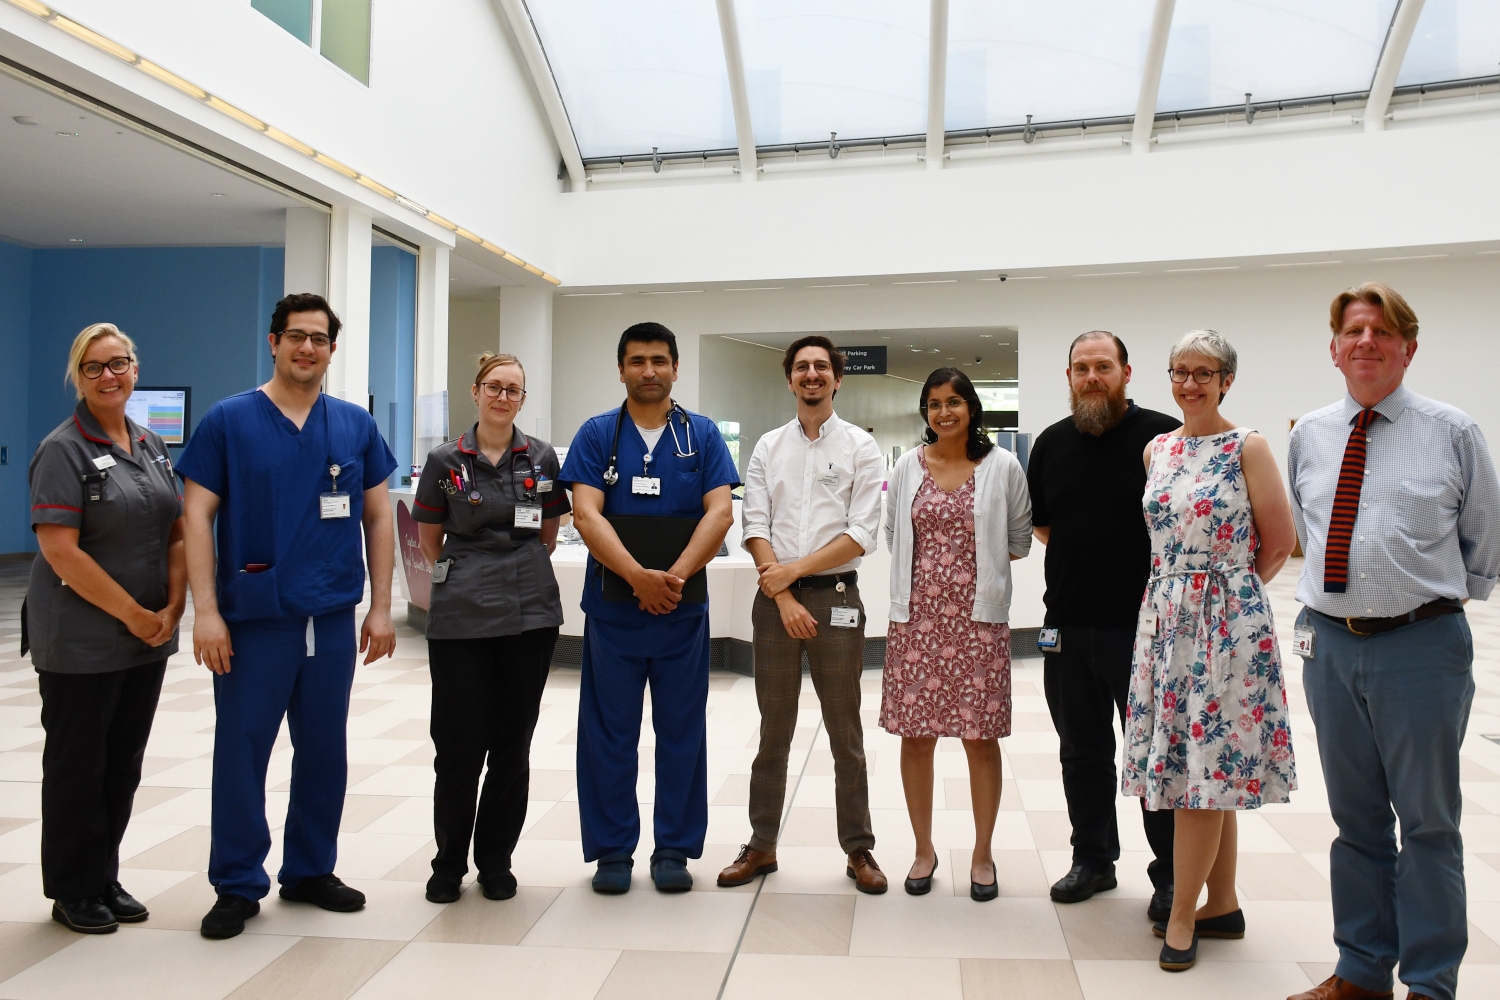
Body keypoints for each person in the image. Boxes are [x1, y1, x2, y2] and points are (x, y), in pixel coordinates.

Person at [1285, 284, 1500, 1000]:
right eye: (1354, 330)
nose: (1367, 342)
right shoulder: (1309, 433)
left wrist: (1428, 602)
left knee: (1430, 826)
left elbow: (1484, 537)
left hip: (1421, 648)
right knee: (1356, 824)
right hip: (1331, 648)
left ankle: (1432, 985)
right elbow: (1308, 534)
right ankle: (1361, 972)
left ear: (1409, 347)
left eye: (1383, 331)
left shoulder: (1452, 430)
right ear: (1335, 348)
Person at [177, 292, 398, 939]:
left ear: (333, 349)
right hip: (253, 620)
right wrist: (206, 614)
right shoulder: (229, 421)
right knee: (243, 751)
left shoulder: (353, 425)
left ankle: (308, 871)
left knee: (325, 751)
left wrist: (381, 607)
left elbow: (380, 515)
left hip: (330, 616)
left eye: (320, 338)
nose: (308, 348)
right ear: (272, 342)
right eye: (296, 336)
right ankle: (237, 883)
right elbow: (196, 516)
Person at [1120, 329, 1298, 973]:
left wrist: (1226, 602)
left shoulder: (1246, 445)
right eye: (1179, 371)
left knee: (1202, 771)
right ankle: (1221, 901)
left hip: (1225, 624)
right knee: (1200, 763)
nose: (1190, 383)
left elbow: (1279, 542)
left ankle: (1181, 917)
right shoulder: (1156, 450)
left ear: (1226, 380)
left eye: (1204, 372)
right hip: (1165, 618)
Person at [558, 322, 739, 894]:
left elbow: (720, 513)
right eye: (637, 361)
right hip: (615, 611)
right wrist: (638, 577)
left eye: (659, 360)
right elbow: (586, 515)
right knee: (608, 732)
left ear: (676, 368)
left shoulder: (703, 435)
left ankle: (674, 851)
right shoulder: (596, 435)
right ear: (621, 369)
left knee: (682, 731)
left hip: (681, 612)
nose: (649, 371)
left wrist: (675, 578)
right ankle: (612, 851)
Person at [25, 323, 185, 934]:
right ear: (78, 376)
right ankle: (72, 888)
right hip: (82, 640)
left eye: (118, 364)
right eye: (93, 367)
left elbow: (173, 529)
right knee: (77, 764)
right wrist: (134, 615)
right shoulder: (61, 450)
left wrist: (173, 608)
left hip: (146, 634)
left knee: (122, 762)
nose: (108, 376)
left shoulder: (149, 443)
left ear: (135, 369)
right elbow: (61, 552)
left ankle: (102, 874)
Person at [719, 335, 888, 893]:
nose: (812, 375)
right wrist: (784, 592)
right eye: (802, 368)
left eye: (822, 367)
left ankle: (858, 850)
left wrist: (792, 575)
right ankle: (762, 844)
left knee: (846, 730)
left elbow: (861, 534)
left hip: (837, 598)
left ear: (837, 379)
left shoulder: (862, 447)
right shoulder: (768, 446)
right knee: (774, 730)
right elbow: (755, 524)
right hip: (776, 604)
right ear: (789, 379)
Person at [1025, 330, 1178, 919]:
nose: (1092, 377)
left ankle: (1169, 876)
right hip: (1066, 625)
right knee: (1080, 751)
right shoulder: (1051, 444)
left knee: (1151, 756)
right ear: (1068, 376)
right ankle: (1092, 859)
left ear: (1126, 373)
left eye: (1103, 367)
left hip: (1147, 628)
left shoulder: (1163, 437)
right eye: (1081, 368)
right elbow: (1043, 525)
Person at [411, 352, 570, 905]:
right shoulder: (445, 460)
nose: (504, 397)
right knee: (457, 746)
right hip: (460, 617)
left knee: (511, 744)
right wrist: (476, 569)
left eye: (514, 391)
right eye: (494, 387)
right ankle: (448, 861)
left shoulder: (542, 457)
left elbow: (547, 532)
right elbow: (430, 537)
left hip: (530, 614)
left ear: (523, 400)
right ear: (476, 391)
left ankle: (496, 860)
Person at [882, 368, 1032, 902]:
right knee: (915, 737)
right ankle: (924, 849)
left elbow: (1019, 539)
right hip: (916, 623)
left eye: (954, 402)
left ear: (971, 407)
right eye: (934, 404)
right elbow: (895, 533)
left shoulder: (1002, 466)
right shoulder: (906, 466)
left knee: (980, 738)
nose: (944, 412)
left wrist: (972, 568)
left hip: (977, 624)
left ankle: (983, 853)